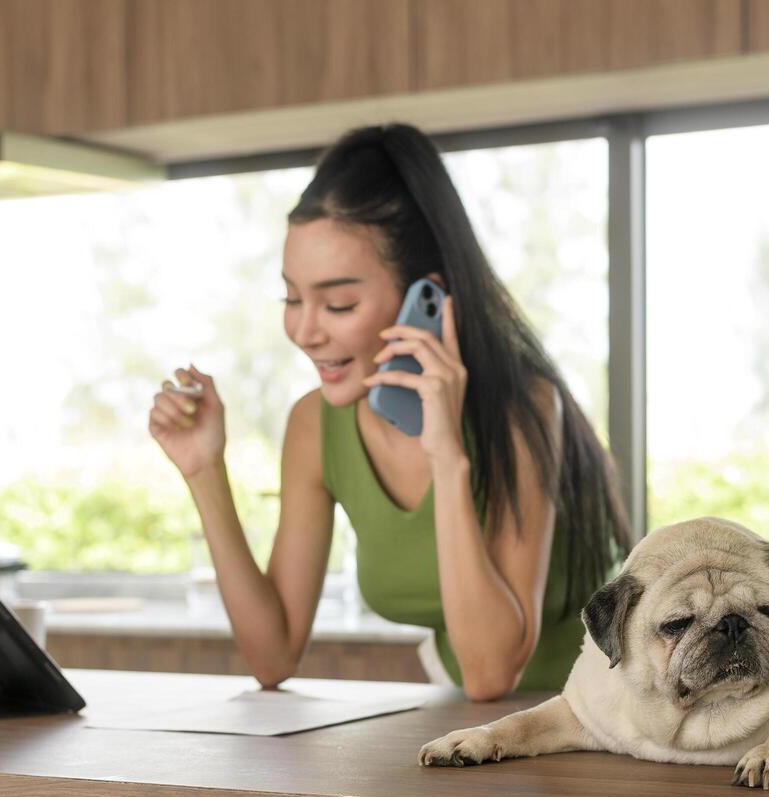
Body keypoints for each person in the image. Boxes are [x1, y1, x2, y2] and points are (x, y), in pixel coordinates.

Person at [150, 123, 630, 700]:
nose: (304, 331)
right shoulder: (315, 425)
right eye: (292, 298)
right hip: (477, 733)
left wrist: (446, 453)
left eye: (339, 303)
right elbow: (272, 656)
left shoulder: (523, 410)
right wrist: (205, 471)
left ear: (423, 299)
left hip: (608, 718)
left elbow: (490, 671)